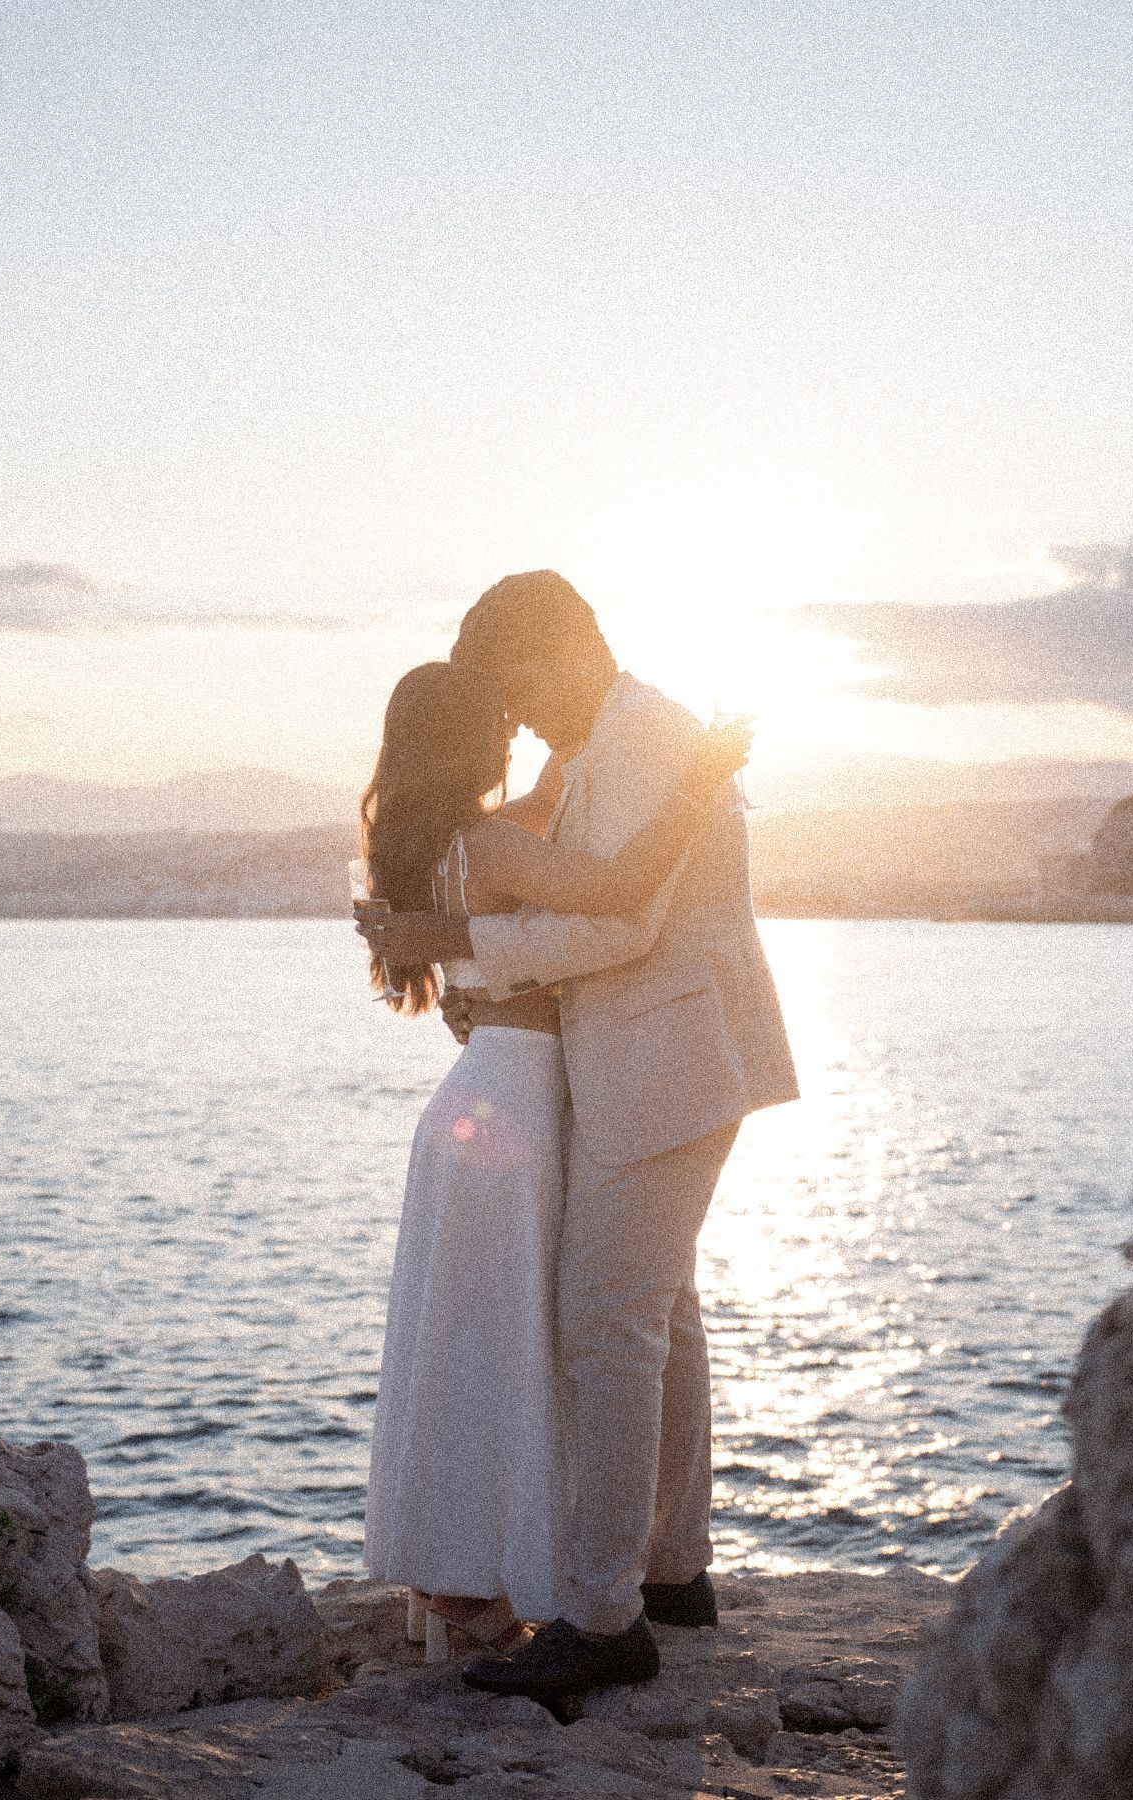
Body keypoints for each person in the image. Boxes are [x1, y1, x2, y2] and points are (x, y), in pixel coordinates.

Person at [358, 572, 799, 1702]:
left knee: (607, 1321)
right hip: (649, 1061)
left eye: (518, 687)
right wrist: (469, 954)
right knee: (662, 1314)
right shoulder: (611, 741)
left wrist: (463, 941)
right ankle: (671, 1570)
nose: (516, 717)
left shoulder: (646, 736)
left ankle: (605, 1621)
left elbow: (625, 919)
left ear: (570, 649)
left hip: (662, 1054)